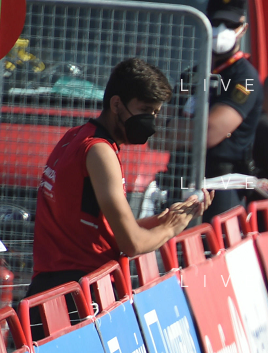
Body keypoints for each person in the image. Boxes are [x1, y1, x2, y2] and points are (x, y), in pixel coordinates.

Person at [31, 58, 211, 297]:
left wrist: (165, 218)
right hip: (81, 291)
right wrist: (173, 227)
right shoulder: (99, 151)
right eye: (144, 110)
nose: (150, 120)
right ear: (116, 104)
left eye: (155, 112)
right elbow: (132, 244)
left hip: (56, 285)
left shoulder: (74, 136)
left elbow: (102, 230)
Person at [204, 0, 262, 221]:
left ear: (243, 29)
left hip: (222, 185)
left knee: (214, 241)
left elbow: (209, 133)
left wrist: (179, 128)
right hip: (183, 178)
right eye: (216, 23)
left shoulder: (244, 77)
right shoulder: (195, 72)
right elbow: (160, 135)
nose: (221, 30)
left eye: (229, 25)